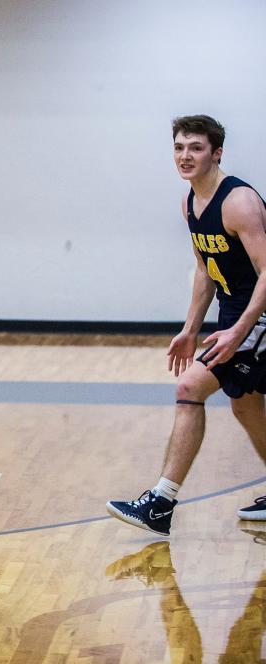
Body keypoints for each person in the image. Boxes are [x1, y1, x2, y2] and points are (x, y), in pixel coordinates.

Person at [107, 115, 266, 535]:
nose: (185, 156)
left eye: (195, 148)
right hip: (232, 314)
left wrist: (239, 330)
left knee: (189, 387)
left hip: (258, 313)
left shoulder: (239, 202)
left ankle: (161, 501)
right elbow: (204, 267)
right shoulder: (190, 202)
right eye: (179, 147)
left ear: (217, 153)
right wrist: (190, 327)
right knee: (246, 404)